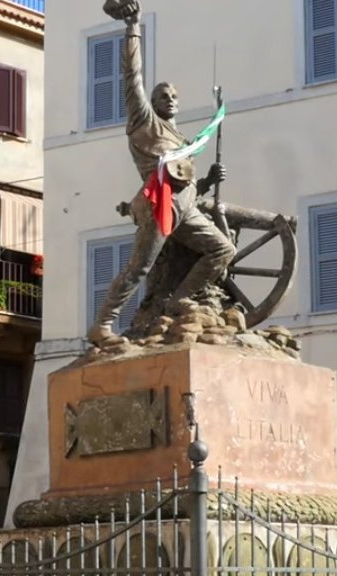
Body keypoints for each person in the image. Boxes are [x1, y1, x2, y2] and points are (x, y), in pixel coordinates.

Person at [88, 0, 235, 346]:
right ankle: (102, 325)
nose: (169, 98)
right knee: (139, 268)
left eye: (173, 96)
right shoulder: (144, 122)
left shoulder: (182, 139)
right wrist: (132, 28)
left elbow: (184, 181)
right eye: (162, 95)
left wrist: (208, 181)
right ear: (151, 103)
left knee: (223, 250)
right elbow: (132, 76)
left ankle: (178, 300)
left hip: (187, 208)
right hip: (159, 206)